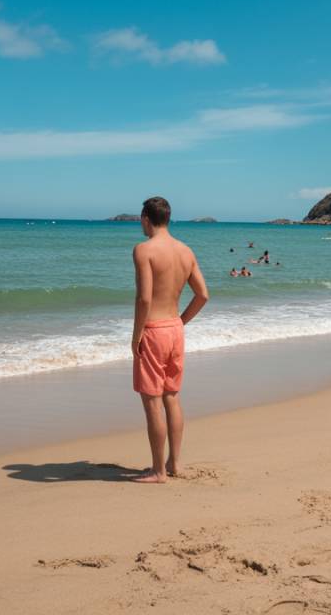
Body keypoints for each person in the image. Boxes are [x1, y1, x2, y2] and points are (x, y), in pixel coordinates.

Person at [131, 196, 208, 484]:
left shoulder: (144, 250)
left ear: (146, 218)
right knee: (171, 398)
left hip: (153, 330)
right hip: (175, 329)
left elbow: (145, 298)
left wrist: (136, 335)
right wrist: (181, 321)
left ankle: (158, 471)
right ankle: (174, 463)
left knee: (152, 402)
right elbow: (203, 295)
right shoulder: (185, 251)